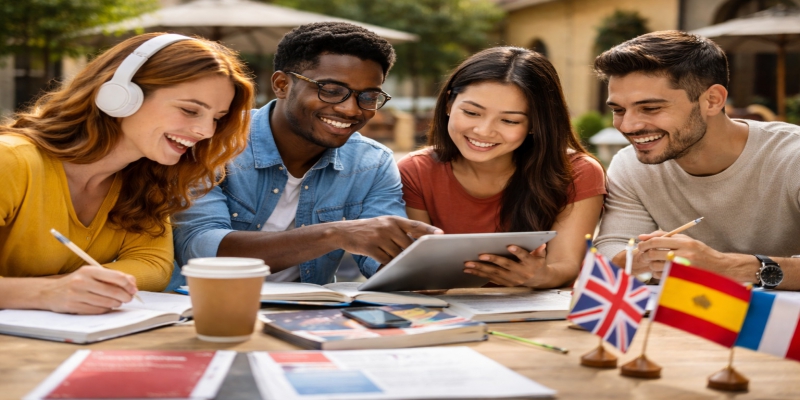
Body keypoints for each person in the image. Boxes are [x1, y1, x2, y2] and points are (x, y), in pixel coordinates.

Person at [0, 33, 256, 313]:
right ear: (120, 95)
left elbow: (153, 266)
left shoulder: (147, 181)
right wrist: (46, 292)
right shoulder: (10, 160)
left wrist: (72, 288)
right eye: (189, 110)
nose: (206, 131)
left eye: (217, 119)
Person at [173, 22, 442, 285]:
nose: (351, 110)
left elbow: (383, 263)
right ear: (282, 85)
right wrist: (333, 234)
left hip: (309, 309)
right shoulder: (213, 142)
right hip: (203, 305)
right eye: (331, 91)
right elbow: (198, 248)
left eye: (369, 97)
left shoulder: (372, 163)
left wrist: (425, 268)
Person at [593, 31, 800, 290]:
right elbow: (612, 248)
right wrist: (643, 260)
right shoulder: (631, 165)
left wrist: (728, 267)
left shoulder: (793, 156)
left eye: (651, 108)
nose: (628, 125)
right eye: (618, 110)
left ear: (712, 100)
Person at [399, 47, 606, 289]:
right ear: (448, 104)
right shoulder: (415, 171)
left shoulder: (576, 172)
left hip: (536, 308)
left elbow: (566, 266)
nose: (484, 131)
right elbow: (417, 270)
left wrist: (539, 276)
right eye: (471, 112)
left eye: (509, 120)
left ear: (535, 123)